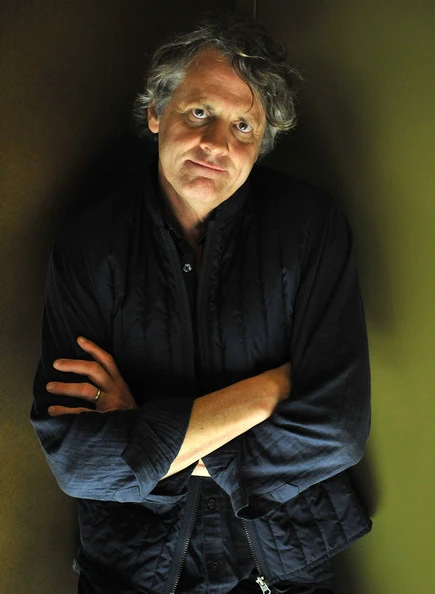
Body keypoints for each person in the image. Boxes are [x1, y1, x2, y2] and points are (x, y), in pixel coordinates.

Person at [31, 17, 371, 594]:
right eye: (198, 113)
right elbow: (77, 461)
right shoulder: (89, 245)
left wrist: (146, 433)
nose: (217, 144)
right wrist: (268, 392)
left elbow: (337, 429)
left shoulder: (311, 227)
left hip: (288, 558)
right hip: (131, 567)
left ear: (261, 143)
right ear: (156, 112)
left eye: (243, 125)